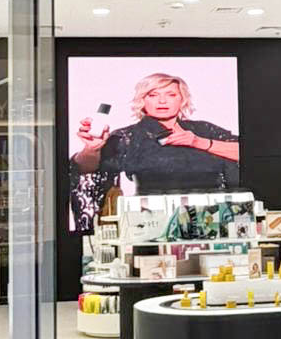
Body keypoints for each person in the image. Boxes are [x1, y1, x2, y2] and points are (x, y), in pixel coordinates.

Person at [69, 72, 239, 231]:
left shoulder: (204, 130)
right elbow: (86, 169)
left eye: (171, 95)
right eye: (153, 95)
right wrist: (91, 149)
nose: (162, 101)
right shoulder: (128, 136)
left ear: (182, 100)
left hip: (213, 219)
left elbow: (245, 152)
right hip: (153, 223)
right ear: (142, 101)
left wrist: (198, 142)